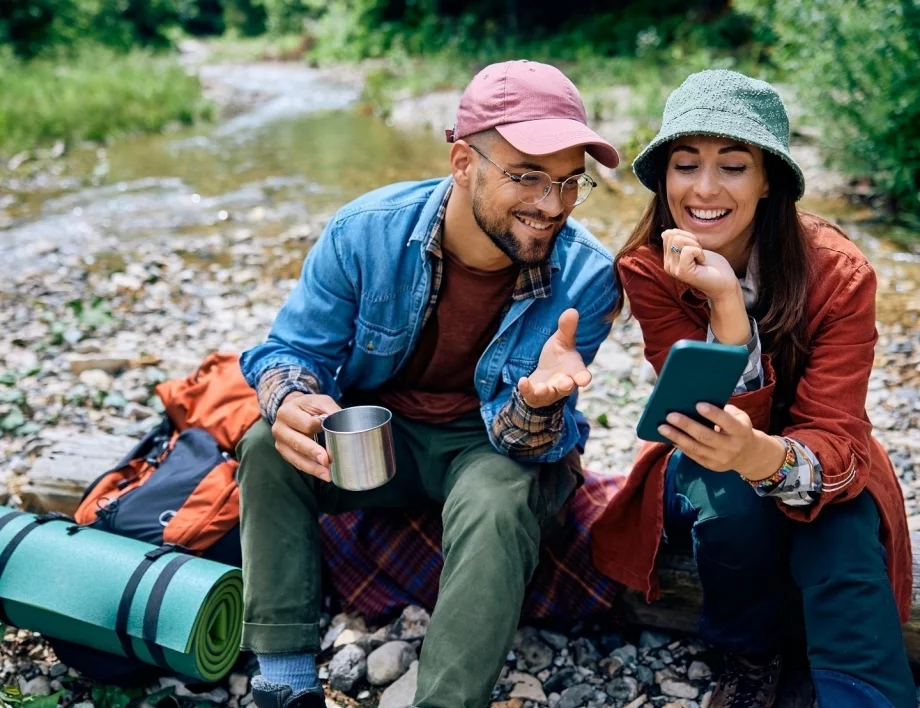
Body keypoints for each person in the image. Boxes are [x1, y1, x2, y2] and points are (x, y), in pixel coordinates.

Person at [237, 60, 620, 708]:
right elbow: (290, 350)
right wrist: (292, 398)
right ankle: (284, 678)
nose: (551, 205)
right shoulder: (366, 232)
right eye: (526, 176)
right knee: (265, 446)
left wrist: (533, 403)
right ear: (463, 162)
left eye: (568, 183)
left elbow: (525, 447)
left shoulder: (587, 276)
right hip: (387, 435)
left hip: (491, 443)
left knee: (500, 504)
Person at [590, 70, 914, 708]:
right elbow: (697, 418)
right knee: (726, 495)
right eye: (685, 165)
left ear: (769, 180)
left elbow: (836, 426)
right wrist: (725, 308)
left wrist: (765, 457)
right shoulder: (647, 267)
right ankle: (749, 654)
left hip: (826, 457)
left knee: (842, 532)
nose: (704, 188)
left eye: (733, 166)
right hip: (705, 458)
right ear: (663, 178)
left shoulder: (841, 274)